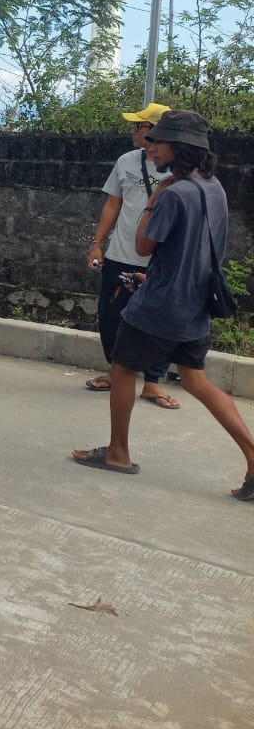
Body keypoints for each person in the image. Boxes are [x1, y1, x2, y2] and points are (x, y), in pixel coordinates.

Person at [73, 110, 254, 503]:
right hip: (195, 304)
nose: (151, 148)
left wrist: (152, 201)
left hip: (159, 305)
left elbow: (143, 246)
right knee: (196, 380)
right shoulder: (214, 187)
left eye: (159, 142)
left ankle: (118, 453)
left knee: (122, 369)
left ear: (180, 148)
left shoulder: (173, 193)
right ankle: (253, 457)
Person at [83, 104, 178, 409]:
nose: (133, 131)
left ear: (156, 132)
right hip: (121, 254)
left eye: (138, 126)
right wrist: (97, 244)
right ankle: (116, 371)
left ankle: (152, 382)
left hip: (158, 260)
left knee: (158, 321)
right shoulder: (126, 161)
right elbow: (113, 204)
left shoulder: (178, 170)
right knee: (111, 316)